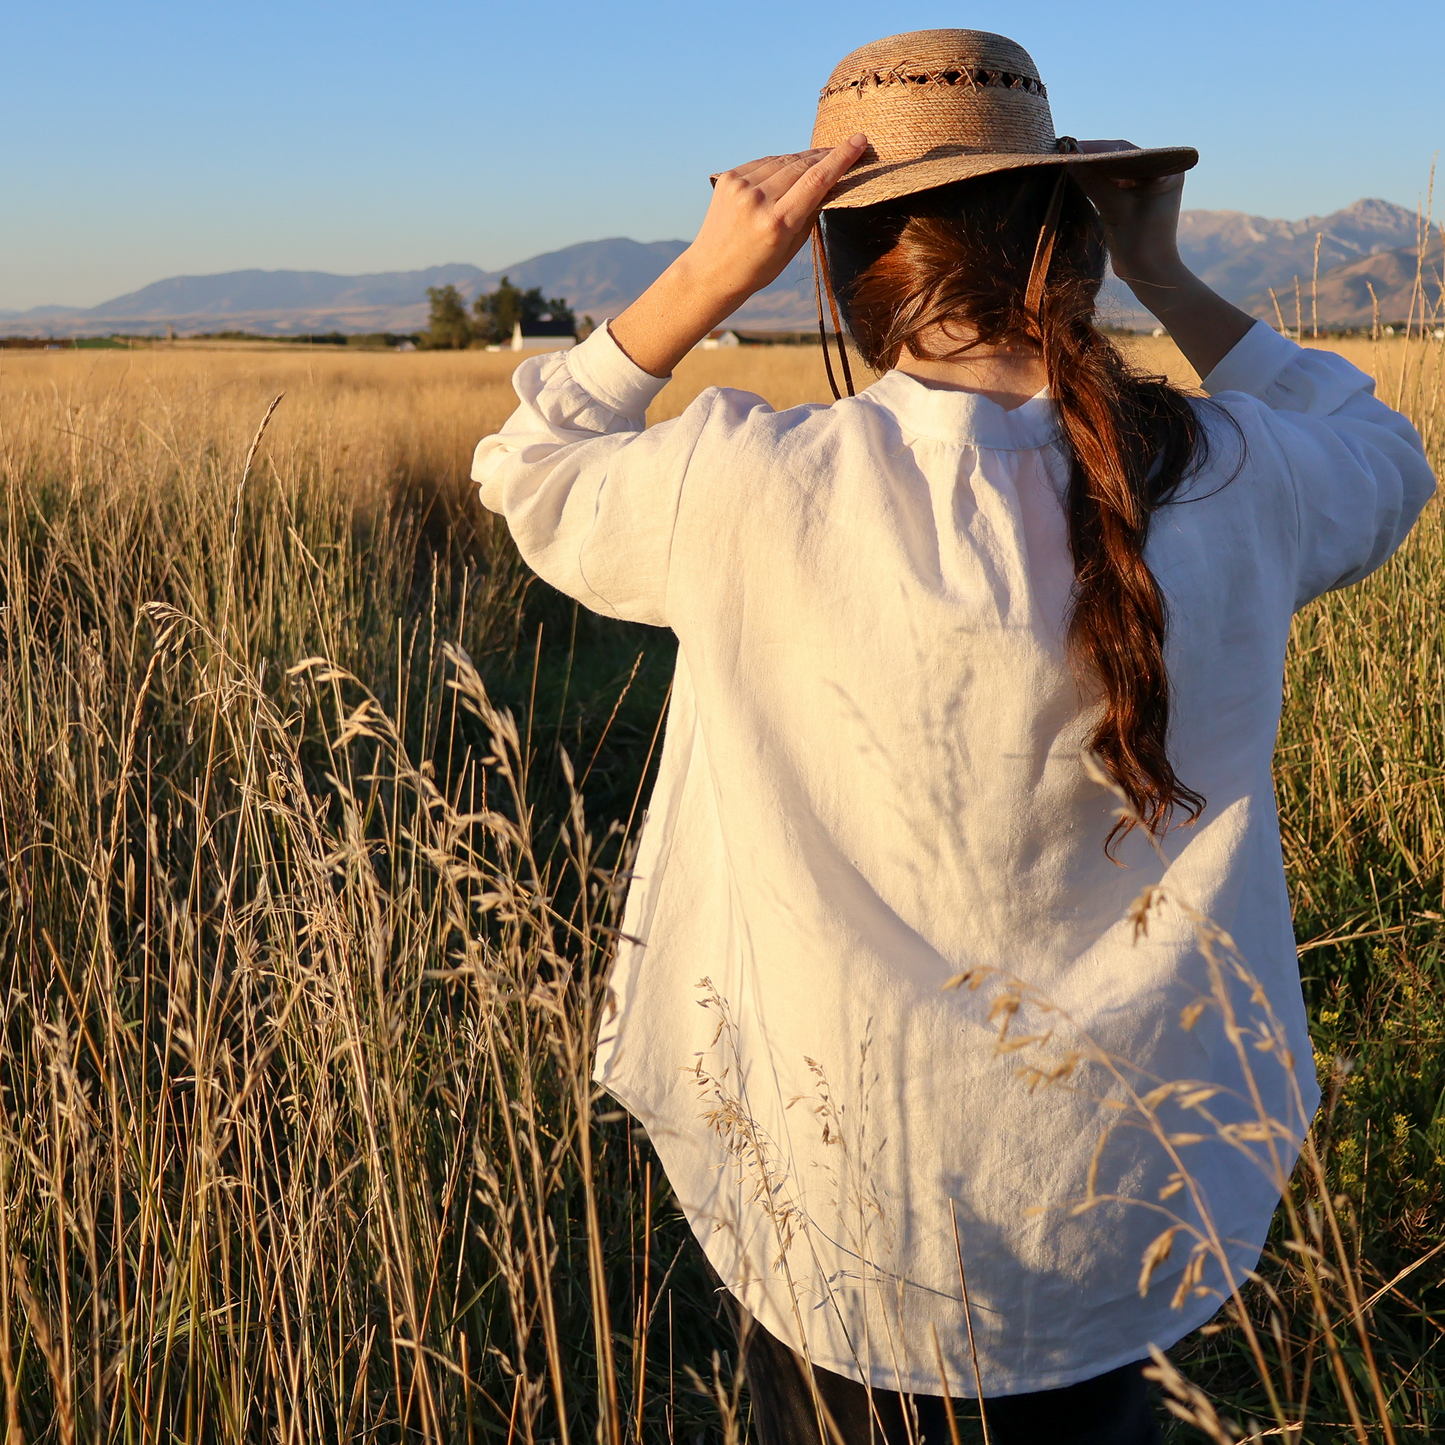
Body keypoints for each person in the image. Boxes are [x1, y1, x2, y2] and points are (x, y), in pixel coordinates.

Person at [473, 29, 1435, 1445]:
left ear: (847, 275)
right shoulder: (1236, 472)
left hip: (847, 1192)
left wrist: (702, 281)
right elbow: (1384, 449)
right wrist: (1167, 274)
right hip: (1140, 1187)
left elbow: (530, 465)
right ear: (1081, 241)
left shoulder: (749, 488)